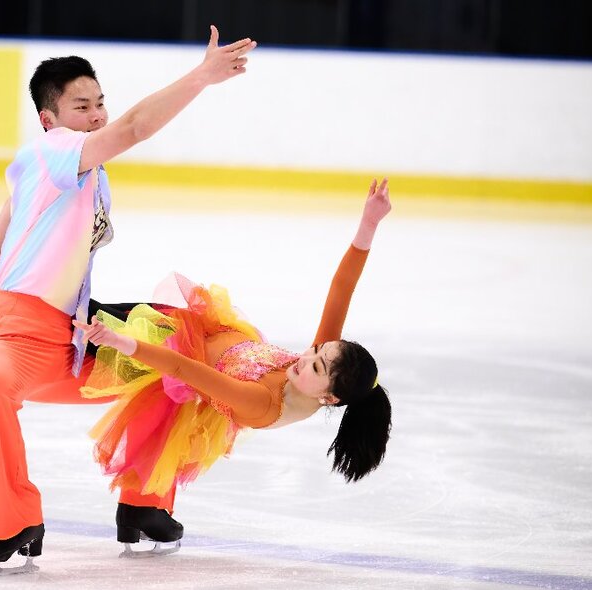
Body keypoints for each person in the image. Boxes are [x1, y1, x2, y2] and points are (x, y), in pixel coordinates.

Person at [0, 26, 258, 572]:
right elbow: (137, 127)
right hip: (20, 335)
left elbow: (9, 212)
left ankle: (145, 505)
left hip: (71, 337)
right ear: (49, 119)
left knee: (184, 353)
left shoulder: (81, 171)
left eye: (100, 102)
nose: (97, 115)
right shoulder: (58, 150)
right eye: (82, 106)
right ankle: (15, 518)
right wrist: (201, 76)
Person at [73, 178, 393, 540]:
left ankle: (140, 511)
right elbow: (341, 288)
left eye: (316, 365)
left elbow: (182, 367)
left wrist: (123, 342)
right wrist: (369, 224)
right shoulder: (324, 377)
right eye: (316, 350)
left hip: (170, 352)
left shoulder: (262, 402)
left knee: (85, 318)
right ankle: (141, 511)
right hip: (201, 332)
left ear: (330, 398)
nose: (306, 356)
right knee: (89, 310)